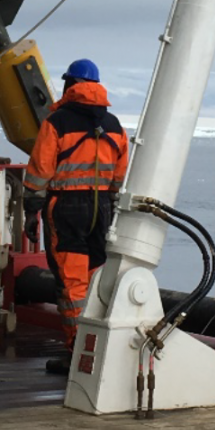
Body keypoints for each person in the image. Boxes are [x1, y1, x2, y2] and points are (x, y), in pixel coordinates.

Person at [23, 58, 128, 372]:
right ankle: (98, 349)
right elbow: (120, 176)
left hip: (67, 209)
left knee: (71, 284)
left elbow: (40, 172)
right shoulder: (114, 125)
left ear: (70, 84)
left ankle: (77, 353)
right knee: (97, 278)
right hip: (103, 210)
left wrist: (32, 213)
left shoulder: (57, 123)